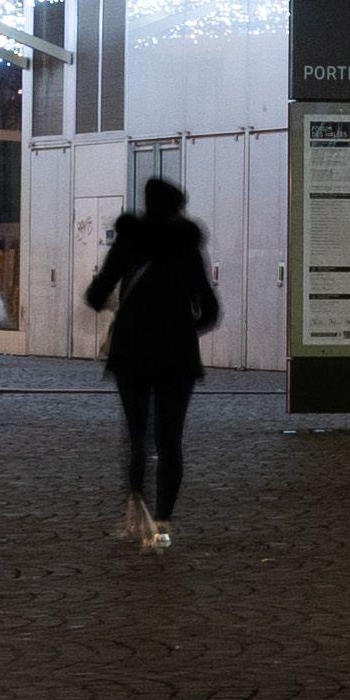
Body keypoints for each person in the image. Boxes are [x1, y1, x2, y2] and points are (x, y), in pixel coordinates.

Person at [84, 178, 217, 550]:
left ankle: (134, 512)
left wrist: (120, 308)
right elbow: (209, 308)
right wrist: (183, 326)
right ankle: (163, 524)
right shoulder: (187, 246)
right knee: (170, 439)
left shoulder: (128, 241)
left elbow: (97, 293)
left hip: (133, 352)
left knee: (137, 434)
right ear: (178, 207)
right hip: (177, 354)